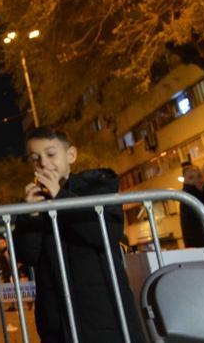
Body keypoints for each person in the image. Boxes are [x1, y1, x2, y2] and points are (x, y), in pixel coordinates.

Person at [17, 126, 145, 343]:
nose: (43, 163)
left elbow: (105, 233)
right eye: (35, 158)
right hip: (56, 314)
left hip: (102, 308)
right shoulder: (35, 202)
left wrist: (60, 197)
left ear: (71, 155)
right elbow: (28, 255)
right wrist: (28, 215)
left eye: (50, 154)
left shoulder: (96, 185)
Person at [179, 161, 204, 249]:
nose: (197, 180)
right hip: (202, 248)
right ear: (185, 181)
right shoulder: (190, 198)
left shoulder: (203, 194)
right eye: (191, 178)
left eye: (199, 176)